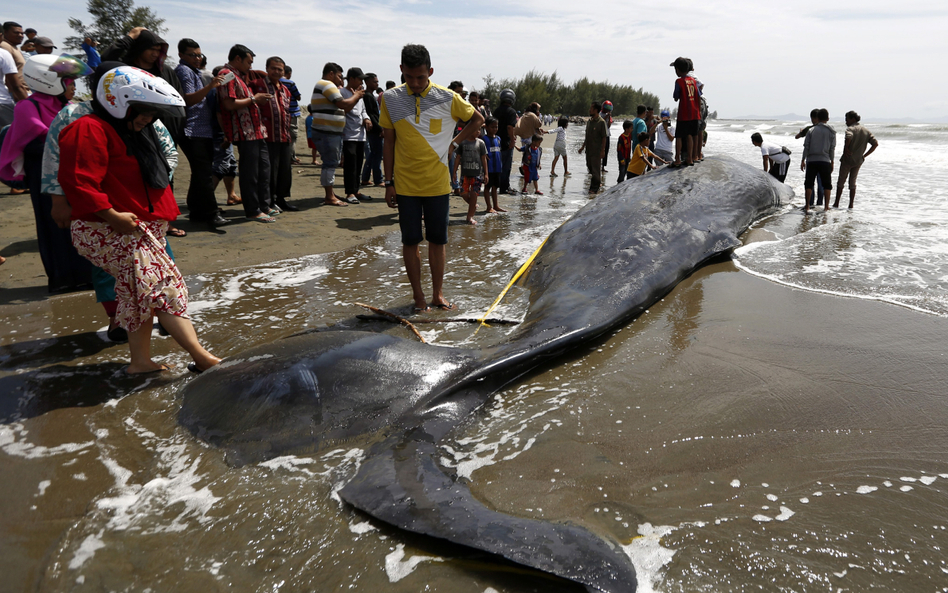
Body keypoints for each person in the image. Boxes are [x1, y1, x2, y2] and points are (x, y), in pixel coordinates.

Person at [59, 65, 220, 374]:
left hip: (136, 227)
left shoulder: (130, 130)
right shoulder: (89, 128)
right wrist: (111, 215)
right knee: (162, 289)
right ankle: (202, 358)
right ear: (119, 102)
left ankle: (140, 363)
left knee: (137, 294)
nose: (148, 118)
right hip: (105, 227)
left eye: (152, 113)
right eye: (143, 111)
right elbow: (78, 180)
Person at [41, 61, 180, 342]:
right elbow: (55, 158)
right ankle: (117, 319)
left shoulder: (145, 114)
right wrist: (58, 199)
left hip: (142, 208)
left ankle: (168, 317)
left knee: (161, 265)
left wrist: (152, 186)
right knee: (111, 270)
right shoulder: (76, 115)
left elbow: (168, 152)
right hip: (103, 210)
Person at [380, 43, 483, 312]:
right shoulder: (389, 99)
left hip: (438, 184)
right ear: (401, 70)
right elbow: (388, 142)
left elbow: (477, 119)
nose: (415, 83)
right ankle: (418, 297)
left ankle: (437, 294)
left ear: (431, 72)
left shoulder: (448, 97)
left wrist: (455, 143)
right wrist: (388, 182)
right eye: (409, 77)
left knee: (438, 241)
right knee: (410, 240)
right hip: (405, 184)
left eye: (421, 77)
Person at [0, 54, 94, 293]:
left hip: (71, 174)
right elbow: (33, 143)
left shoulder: (69, 108)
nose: (73, 87)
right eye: (69, 82)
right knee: (54, 226)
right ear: (49, 81)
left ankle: (85, 274)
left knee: (79, 223)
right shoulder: (27, 107)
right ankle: (63, 278)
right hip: (43, 176)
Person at [218, 44, 277, 222]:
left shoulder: (240, 76)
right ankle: (253, 210)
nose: (250, 66)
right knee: (250, 172)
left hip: (256, 131)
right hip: (245, 132)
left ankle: (263, 206)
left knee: (263, 170)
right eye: (248, 62)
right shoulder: (226, 75)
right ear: (238, 59)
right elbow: (228, 104)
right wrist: (254, 99)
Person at [175, 38, 228, 229]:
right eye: (193, 55)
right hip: (192, 128)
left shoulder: (193, 71)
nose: (197, 58)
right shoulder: (184, 71)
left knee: (200, 173)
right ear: (181, 55)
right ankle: (211, 214)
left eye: (199, 55)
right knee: (204, 173)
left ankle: (197, 211)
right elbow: (188, 99)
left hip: (202, 128)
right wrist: (210, 87)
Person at [310, 62, 364, 206]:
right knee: (330, 163)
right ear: (331, 74)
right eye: (340, 76)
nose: (342, 80)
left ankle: (330, 193)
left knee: (331, 162)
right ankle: (329, 196)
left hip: (329, 131)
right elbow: (343, 104)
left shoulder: (325, 86)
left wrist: (355, 98)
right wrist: (357, 95)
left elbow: (344, 107)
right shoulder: (327, 85)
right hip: (327, 131)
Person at [250, 56, 298, 212]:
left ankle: (281, 199)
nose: (276, 72)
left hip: (283, 135)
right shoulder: (257, 85)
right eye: (273, 68)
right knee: (269, 172)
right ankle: (268, 202)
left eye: (280, 69)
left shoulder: (285, 90)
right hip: (266, 136)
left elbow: (286, 112)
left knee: (284, 170)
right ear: (267, 69)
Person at [338, 66, 372, 204]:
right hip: (348, 134)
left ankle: (356, 190)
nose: (361, 83)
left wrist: (367, 119)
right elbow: (344, 109)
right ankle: (349, 192)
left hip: (360, 134)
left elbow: (363, 110)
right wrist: (355, 97)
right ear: (351, 79)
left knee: (358, 163)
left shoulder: (360, 94)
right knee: (350, 164)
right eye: (359, 79)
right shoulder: (342, 92)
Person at [834, 110, 878, 209]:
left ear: (852, 119)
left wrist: (846, 148)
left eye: (847, 119)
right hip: (858, 160)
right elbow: (875, 144)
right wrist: (864, 155)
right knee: (852, 183)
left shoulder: (850, 129)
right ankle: (851, 204)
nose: (846, 122)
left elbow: (848, 137)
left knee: (841, 181)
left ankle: (836, 203)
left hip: (847, 159)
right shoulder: (866, 130)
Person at [801, 108, 836, 213]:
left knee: (809, 183)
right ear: (828, 118)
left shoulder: (811, 130)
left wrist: (803, 159)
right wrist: (832, 161)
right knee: (827, 184)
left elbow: (806, 147)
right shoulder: (831, 131)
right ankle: (826, 207)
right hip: (825, 160)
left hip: (811, 160)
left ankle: (807, 206)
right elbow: (832, 148)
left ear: (818, 118)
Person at [452, 128, 488, 224]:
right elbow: (457, 158)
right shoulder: (463, 143)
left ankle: (469, 217)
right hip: (465, 173)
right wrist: (454, 171)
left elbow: (484, 159)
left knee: (474, 194)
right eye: (476, 129)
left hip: (477, 174)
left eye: (480, 130)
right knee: (463, 193)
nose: (478, 132)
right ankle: (473, 205)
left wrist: (486, 174)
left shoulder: (480, 143)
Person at [670, 57, 701, 167]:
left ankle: (677, 158)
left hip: (684, 113)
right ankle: (690, 158)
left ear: (677, 69)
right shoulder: (693, 81)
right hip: (695, 113)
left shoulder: (679, 81)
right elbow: (699, 94)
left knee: (679, 136)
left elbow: (676, 96)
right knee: (691, 135)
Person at [578, 101, 607, 190]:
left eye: (591, 108)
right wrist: (582, 147)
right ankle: (597, 183)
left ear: (596, 110)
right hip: (589, 150)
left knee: (595, 170)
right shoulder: (589, 122)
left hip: (596, 151)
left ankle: (594, 188)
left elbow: (604, 137)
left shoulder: (601, 122)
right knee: (590, 167)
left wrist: (603, 150)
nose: (589, 110)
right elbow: (587, 136)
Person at [360, 72, 383, 186]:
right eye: (374, 82)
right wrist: (380, 129)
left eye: (377, 82)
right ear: (367, 82)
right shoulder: (368, 96)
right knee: (376, 154)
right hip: (374, 130)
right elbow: (371, 115)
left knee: (373, 154)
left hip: (374, 129)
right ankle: (378, 179)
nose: (376, 84)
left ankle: (365, 177)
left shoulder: (370, 96)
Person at [494, 88, 518, 194]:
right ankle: (504, 187)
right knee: (506, 166)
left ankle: (495, 185)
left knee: (496, 165)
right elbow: (510, 127)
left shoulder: (496, 110)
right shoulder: (512, 112)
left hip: (495, 140)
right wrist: (512, 140)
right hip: (506, 142)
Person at [481, 117, 506, 214]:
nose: (495, 129)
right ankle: (489, 206)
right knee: (487, 188)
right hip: (489, 168)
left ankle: (496, 205)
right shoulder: (484, 139)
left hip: (498, 167)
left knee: (495, 187)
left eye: (496, 127)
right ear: (486, 127)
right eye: (492, 127)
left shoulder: (498, 139)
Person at [280, 65, 302, 164]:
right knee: (292, 136)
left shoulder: (275, 81)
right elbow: (298, 96)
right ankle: (291, 157)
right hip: (292, 112)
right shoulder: (290, 83)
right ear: (289, 73)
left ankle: (285, 156)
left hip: (281, 112)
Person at [1, 22, 28, 101]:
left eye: (22, 33)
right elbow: (7, 73)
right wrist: (15, 93)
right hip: (14, 93)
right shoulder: (5, 46)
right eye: (16, 33)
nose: (20, 35)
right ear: (5, 32)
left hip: (22, 90)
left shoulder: (14, 47)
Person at [0, 46, 26, 128]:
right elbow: (16, 85)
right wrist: (30, 106)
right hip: (2, 104)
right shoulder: (3, 54)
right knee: (10, 134)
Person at [600, 100, 614, 171]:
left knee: (606, 151)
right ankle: (598, 165)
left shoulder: (609, 116)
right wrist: (606, 117)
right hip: (601, 135)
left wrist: (609, 118)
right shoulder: (600, 114)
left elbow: (608, 125)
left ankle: (603, 166)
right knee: (600, 150)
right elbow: (600, 122)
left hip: (607, 134)